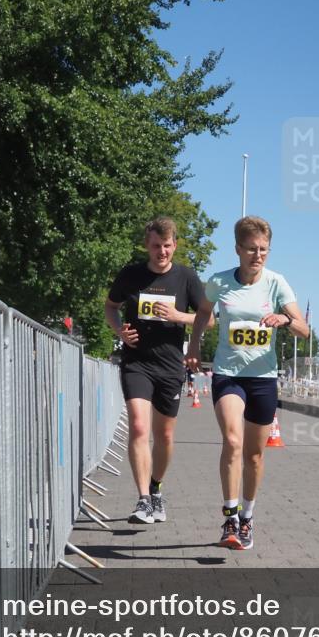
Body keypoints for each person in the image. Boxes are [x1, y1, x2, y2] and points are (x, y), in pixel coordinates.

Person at [185, 216, 308, 550]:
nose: (258, 255)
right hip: (228, 374)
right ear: (238, 249)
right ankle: (230, 515)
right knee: (233, 441)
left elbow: (304, 329)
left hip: (263, 378)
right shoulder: (219, 282)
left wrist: (285, 319)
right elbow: (203, 315)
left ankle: (248, 517)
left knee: (254, 455)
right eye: (252, 249)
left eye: (264, 250)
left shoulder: (276, 283)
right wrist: (194, 346)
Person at [105, 217, 211, 525]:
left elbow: (209, 318)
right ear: (147, 245)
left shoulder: (187, 278)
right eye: (155, 246)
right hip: (137, 362)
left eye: (167, 246)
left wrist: (180, 316)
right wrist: (119, 332)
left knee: (164, 435)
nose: (161, 252)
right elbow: (110, 306)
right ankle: (142, 500)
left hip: (170, 366)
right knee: (139, 427)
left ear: (175, 245)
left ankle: (156, 489)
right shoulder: (132, 275)